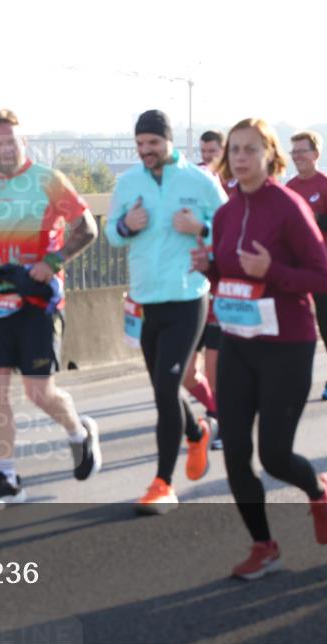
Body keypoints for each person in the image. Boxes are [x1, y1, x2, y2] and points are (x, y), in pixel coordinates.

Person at [192, 118, 327, 580]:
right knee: (235, 452)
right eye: (233, 150)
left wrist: (272, 269)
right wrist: (210, 269)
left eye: (249, 150)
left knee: (275, 455)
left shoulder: (289, 207)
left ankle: (319, 490)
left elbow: (321, 279)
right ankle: (264, 546)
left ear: (268, 156)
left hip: (287, 345)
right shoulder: (225, 212)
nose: (239, 157)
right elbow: (233, 276)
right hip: (239, 342)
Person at [0, 109, 102, 511]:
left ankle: (78, 432)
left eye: (11, 141)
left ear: (24, 142)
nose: (4, 149)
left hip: (37, 301)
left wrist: (53, 262)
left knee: (39, 392)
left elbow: (87, 228)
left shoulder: (49, 180)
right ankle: (8, 477)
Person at [106, 110, 228, 515]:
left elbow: (230, 224)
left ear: (169, 141)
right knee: (164, 385)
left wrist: (201, 228)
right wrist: (127, 224)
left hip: (188, 296)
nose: (146, 152)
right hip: (145, 300)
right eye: (140, 145)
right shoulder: (128, 182)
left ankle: (163, 484)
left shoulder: (199, 180)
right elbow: (111, 234)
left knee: (165, 385)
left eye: (153, 144)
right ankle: (195, 432)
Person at [286, 130, 327, 400]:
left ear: (315, 155)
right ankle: (290, 380)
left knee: (326, 325)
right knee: (293, 326)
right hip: (296, 269)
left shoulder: (326, 186)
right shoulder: (289, 188)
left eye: (302, 151)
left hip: (324, 267)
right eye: (294, 152)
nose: (298, 156)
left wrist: (314, 217)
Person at [188, 129, 227, 448]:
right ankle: (217, 409)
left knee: (215, 369)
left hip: (223, 293)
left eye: (212, 152)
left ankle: (223, 420)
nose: (207, 158)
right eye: (202, 152)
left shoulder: (238, 187)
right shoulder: (194, 183)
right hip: (191, 290)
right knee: (187, 374)